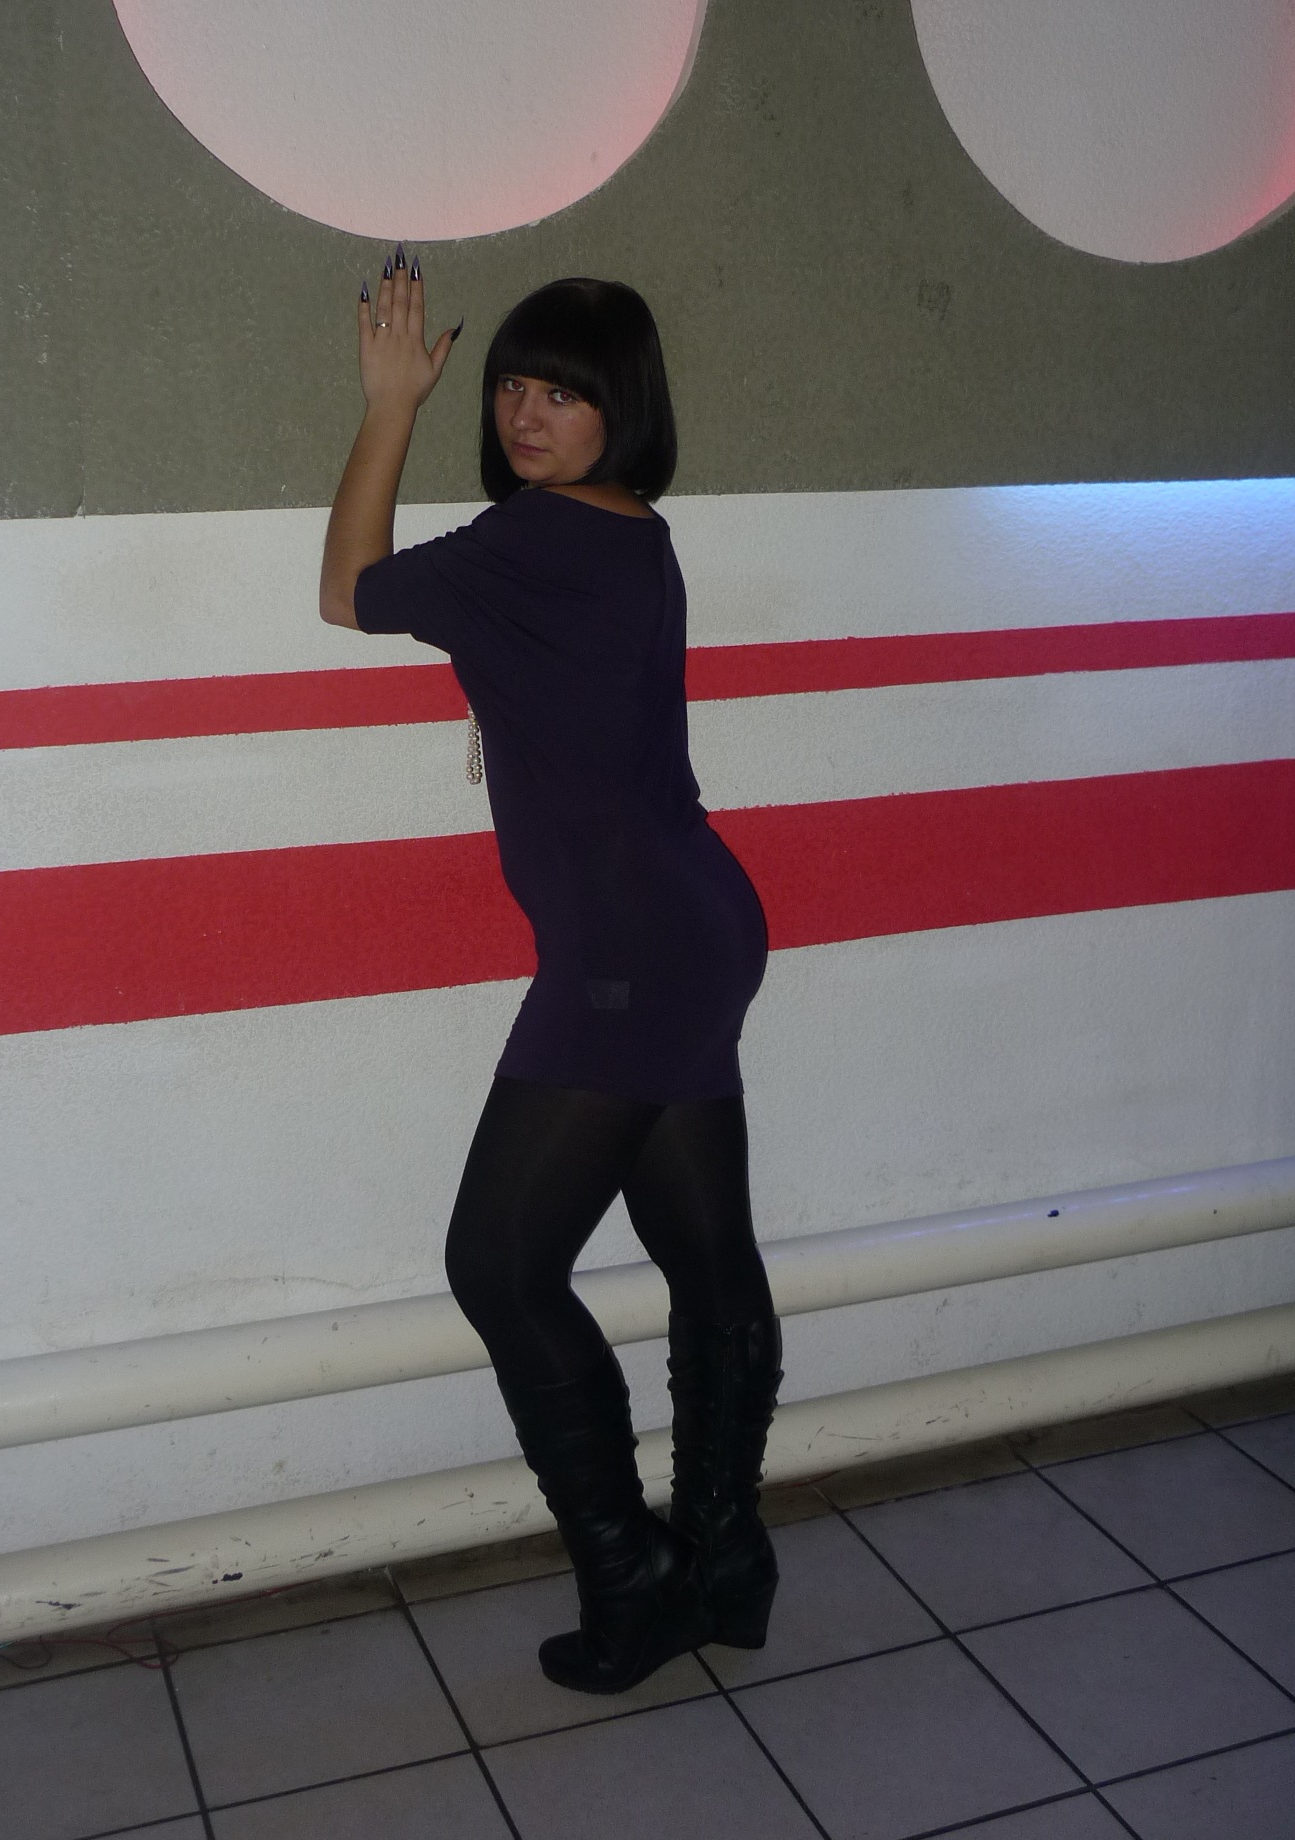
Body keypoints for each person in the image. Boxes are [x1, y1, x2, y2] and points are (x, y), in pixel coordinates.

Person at [320, 245, 782, 1694]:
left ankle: (636, 1579)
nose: (527, 413)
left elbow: (349, 591)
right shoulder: (632, 530)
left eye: (565, 395)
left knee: (501, 1265)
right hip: (688, 927)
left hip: (630, 953)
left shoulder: (541, 539)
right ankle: (724, 1560)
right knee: (704, 1254)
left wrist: (388, 405)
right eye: (515, 386)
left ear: (620, 408)